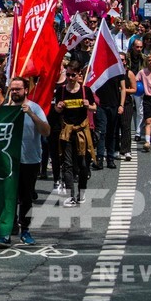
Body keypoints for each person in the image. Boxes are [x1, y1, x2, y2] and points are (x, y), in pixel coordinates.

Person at [0, 76, 50, 247]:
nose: (14, 92)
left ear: (26, 90)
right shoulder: (5, 109)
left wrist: (31, 114)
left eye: (18, 89)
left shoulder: (34, 108)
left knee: (26, 198)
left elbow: (46, 131)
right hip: (9, 162)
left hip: (30, 160)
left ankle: (25, 230)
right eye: (12, 89)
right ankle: (6, 231)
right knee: (8, 197)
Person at [55, 63, 96, 207]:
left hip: (82, 132)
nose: (70, 78)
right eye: (68, 75)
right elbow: (57, 110)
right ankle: (70, 195)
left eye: (73, 75)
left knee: (83, 164)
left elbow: (94, 108)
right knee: (67, 164)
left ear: (79, 75)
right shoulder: (61, 91)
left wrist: (88, 106)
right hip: (67, 131)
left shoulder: (85, 90)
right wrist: (59, 107)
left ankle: (82, 192)